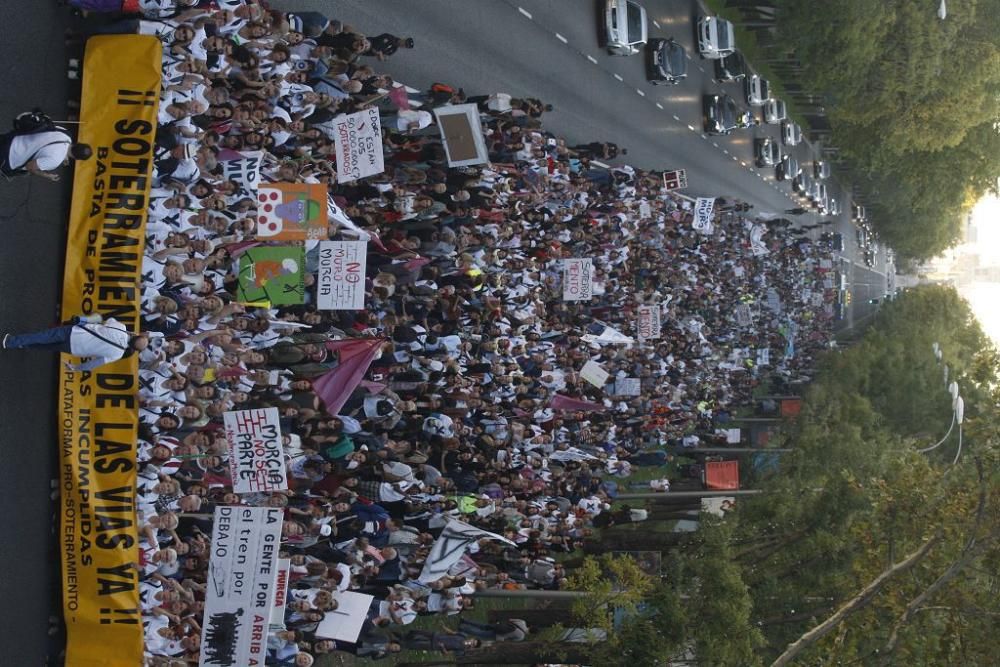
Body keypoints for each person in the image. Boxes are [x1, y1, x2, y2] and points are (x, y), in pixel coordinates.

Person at [3, 314, 149, 370]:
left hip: (75, 332)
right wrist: (76, 368)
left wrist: (83, 319)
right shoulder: (118, 354)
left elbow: (100, 319)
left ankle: (11, 342)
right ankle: (22, 344)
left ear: (135, 335)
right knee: (47, 346)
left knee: (42, 336)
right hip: (75, 349)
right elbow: (94, 364)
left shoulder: (121, 327)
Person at [0, 124, 92, 181]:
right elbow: (30, 166)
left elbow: (47, 132)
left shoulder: (66, 134)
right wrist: (47, 175)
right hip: (9, 158)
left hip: (13, 139)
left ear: (78, 143)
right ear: (76, 158)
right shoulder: (55, 160)